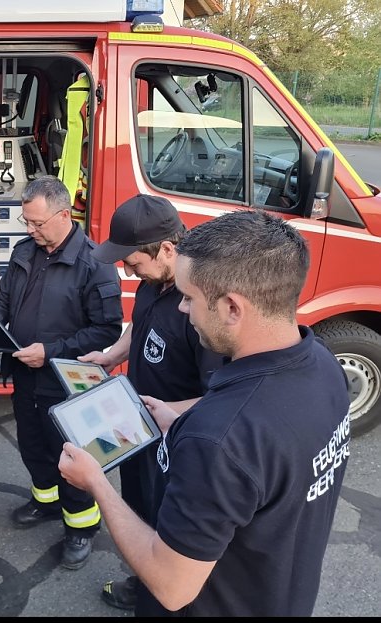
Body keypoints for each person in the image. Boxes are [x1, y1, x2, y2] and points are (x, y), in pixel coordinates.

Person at [59, 210, 350, 616]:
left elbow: (172, 586)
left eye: (190, 298)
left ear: (233, 307)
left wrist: (96, 483)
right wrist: (178, 419)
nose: (181, 310)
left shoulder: (217, 440)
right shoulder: (324, 366)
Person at [80, 194, 222, 611]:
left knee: (167, 526)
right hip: (136, 426)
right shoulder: (153, 280)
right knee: (138, 509)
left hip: (175, 441)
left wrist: (170, 414)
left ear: (167, 249)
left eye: (133, 262)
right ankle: (143, 581)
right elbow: (139, 327)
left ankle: (163, 598)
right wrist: (111, 356)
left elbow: (222, 398)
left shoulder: (202, 306)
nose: (127, 270)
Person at [0, 175, 123, 570]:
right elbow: (4, 298)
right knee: (33, 446)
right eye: (26, 221)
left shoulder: (95, 263)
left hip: (65, 382)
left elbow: (107, 328)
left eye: (37, 223)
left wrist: (53, 352)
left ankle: (80, 527)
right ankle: (45, 501)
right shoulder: (26, 251)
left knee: (72, 456)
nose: (30, 229)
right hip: (24, 375)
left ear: (63, 215)